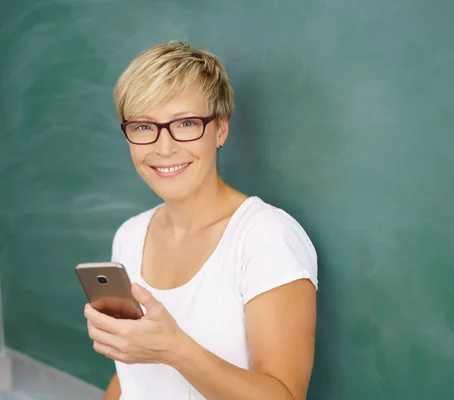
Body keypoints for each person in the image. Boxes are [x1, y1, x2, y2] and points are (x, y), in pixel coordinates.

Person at [83, 40, 318, 400]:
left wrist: (174, 350)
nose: (164, 148)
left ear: (220, 130)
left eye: (186, 123)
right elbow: (130, 380)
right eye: (145, 127)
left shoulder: (265, 237)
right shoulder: (129, 236)